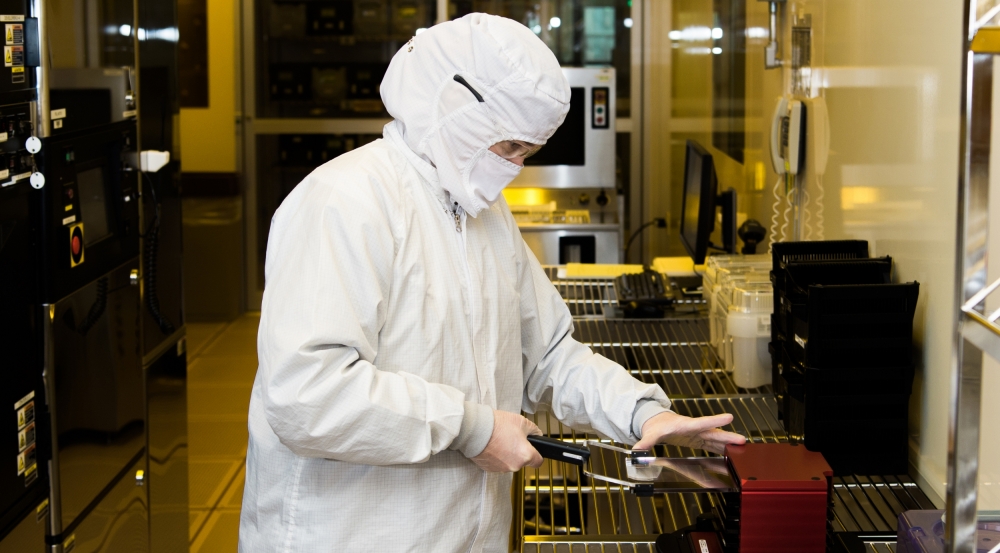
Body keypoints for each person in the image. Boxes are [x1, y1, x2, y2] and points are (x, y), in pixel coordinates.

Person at [238, 13, 746, 553]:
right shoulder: (345, 202)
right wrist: (471, 428)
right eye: (508, 148)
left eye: (528, 152)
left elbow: (548, 354)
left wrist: (643, 412)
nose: (516, 168)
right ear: (455, 113)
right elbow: (307, 394)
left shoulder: (480, 211)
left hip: (463, 533)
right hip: (347, 533)